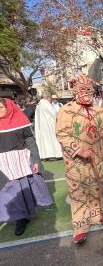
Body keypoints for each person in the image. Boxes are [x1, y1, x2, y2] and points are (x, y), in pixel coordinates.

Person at [56, 75, 103, 244]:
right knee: (79, 192)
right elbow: (62, 134)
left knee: (98, 186)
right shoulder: (66, 110)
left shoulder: (98, 109)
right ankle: (80, 226)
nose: (87, 93)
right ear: (76, 91)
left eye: (89, 90)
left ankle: (97, 215)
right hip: (76, 162)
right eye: (83, 90)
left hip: (97, 157)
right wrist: (78, 149)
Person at [0, 97, 53, 236]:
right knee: (8, 192)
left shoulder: (20, 121)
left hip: (20, 161)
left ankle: (22, 218)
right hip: (3, 164)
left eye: (0, 107)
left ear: (9, 108)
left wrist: (35, 160)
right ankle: (17, 215)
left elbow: (31, 143)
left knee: (21, 190)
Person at [34, 91, 63, 160]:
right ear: (47, 97)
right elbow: (54, 114)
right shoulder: (46, 104)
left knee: (45, 141)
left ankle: (47, 155)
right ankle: (53, 154)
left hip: (42, 126)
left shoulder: (39, 105)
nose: (51, 100)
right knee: (51, 139)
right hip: (50, 125)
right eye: (50, 98)